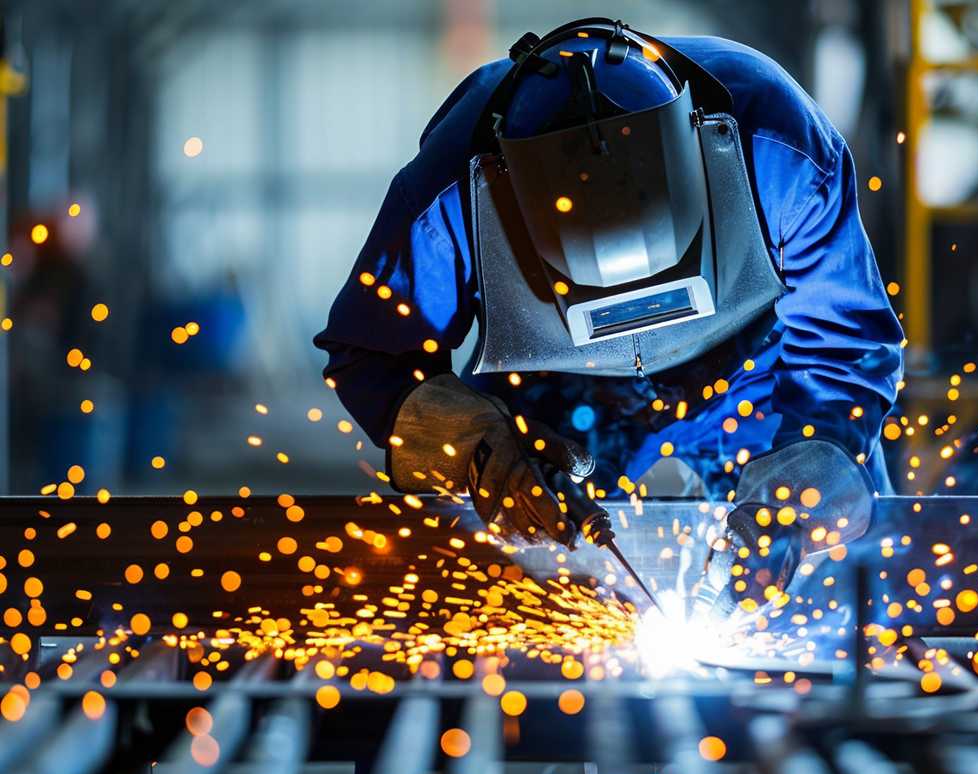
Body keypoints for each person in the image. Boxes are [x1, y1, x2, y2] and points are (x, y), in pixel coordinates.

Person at [315, 18, 903, 602]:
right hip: (562, 402)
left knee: (837, 578)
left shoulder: (777, 145)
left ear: (700, 150)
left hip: (758, 377)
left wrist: (793, 502)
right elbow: (373, 358)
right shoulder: (450, 194)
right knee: (512, 593)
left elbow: (844, 347)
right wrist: (482, 449)